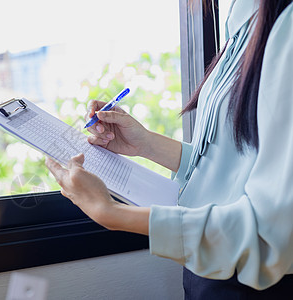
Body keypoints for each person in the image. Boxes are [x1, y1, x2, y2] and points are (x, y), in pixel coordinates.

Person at [45, 0, 293, 298]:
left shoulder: (285, 28)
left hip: (253, 282)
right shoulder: (245, 18)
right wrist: (147, 144)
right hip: (212, 265)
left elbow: (269, 234)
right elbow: (234, 167)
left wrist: (111, 212)